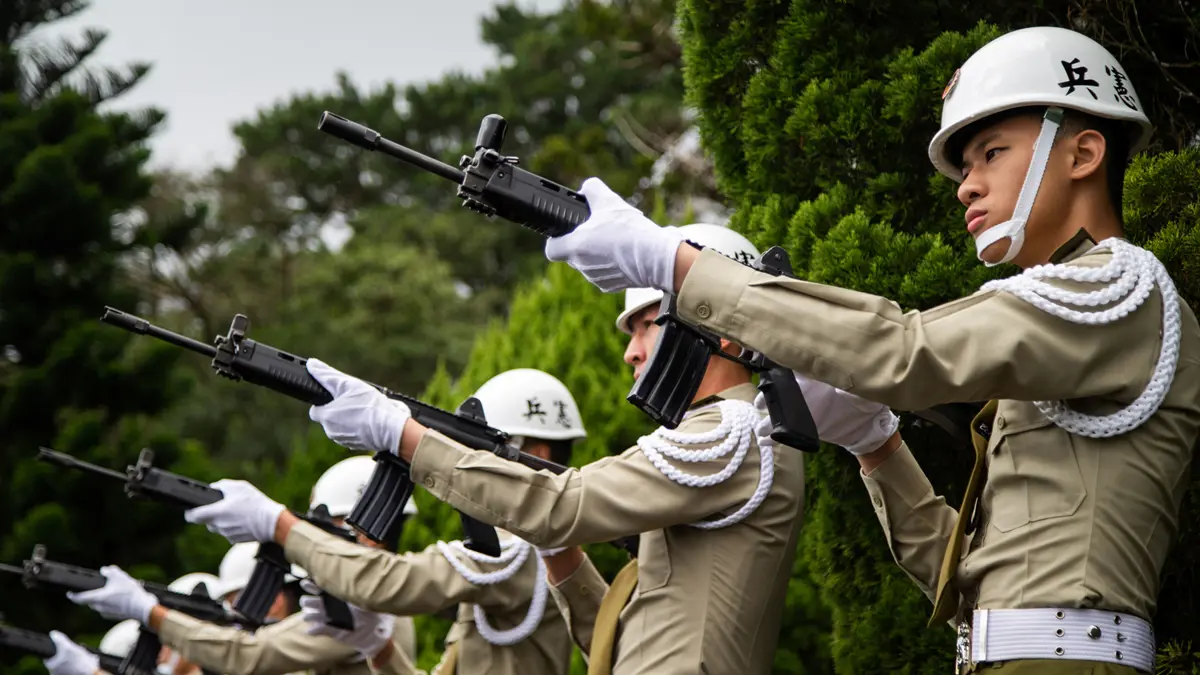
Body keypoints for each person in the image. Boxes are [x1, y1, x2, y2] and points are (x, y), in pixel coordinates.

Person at [541, 26, 1200, 675]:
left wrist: (674, 261)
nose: (965, 185)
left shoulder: (1117, 287)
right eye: (964, 166)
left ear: (1082, 153)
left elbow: (902, 348)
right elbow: (968, 579)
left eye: (991, 153)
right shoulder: (1076, 321)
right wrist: (877, 445)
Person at [283, 224, 818, 675]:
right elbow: (621, 648)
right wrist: (560, 555)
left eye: (648, 324)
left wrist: (399, 436)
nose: (631, 352)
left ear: (722, 327)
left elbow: (561, 506)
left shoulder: (731, 432)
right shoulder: (721, 439)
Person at [185, 371, 587, 675]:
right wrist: (378, 650)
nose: (465, 462)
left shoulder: (515, 555)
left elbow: (395, 583)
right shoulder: (505, 557)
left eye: (479, 449)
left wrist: (280, 525)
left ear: (535, 451)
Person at [64, 464, 419, 675]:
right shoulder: (374, 599)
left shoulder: (361, 605)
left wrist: (151, 613)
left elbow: (248, 654)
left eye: (329, 526)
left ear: (367, 530)